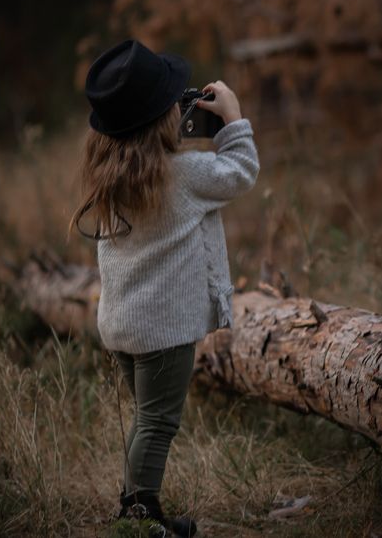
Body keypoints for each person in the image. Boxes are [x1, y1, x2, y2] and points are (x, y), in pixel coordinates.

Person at [70, 39, 259, 536]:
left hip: (122, 328)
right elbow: (242, 172)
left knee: (146, 419)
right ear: (163, 121)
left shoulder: (110, 178)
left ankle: (136, 505)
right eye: (177, 105)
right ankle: (138, 518)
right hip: (165, 331)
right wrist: (233, 120)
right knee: (158, 424)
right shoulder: (186, 175)